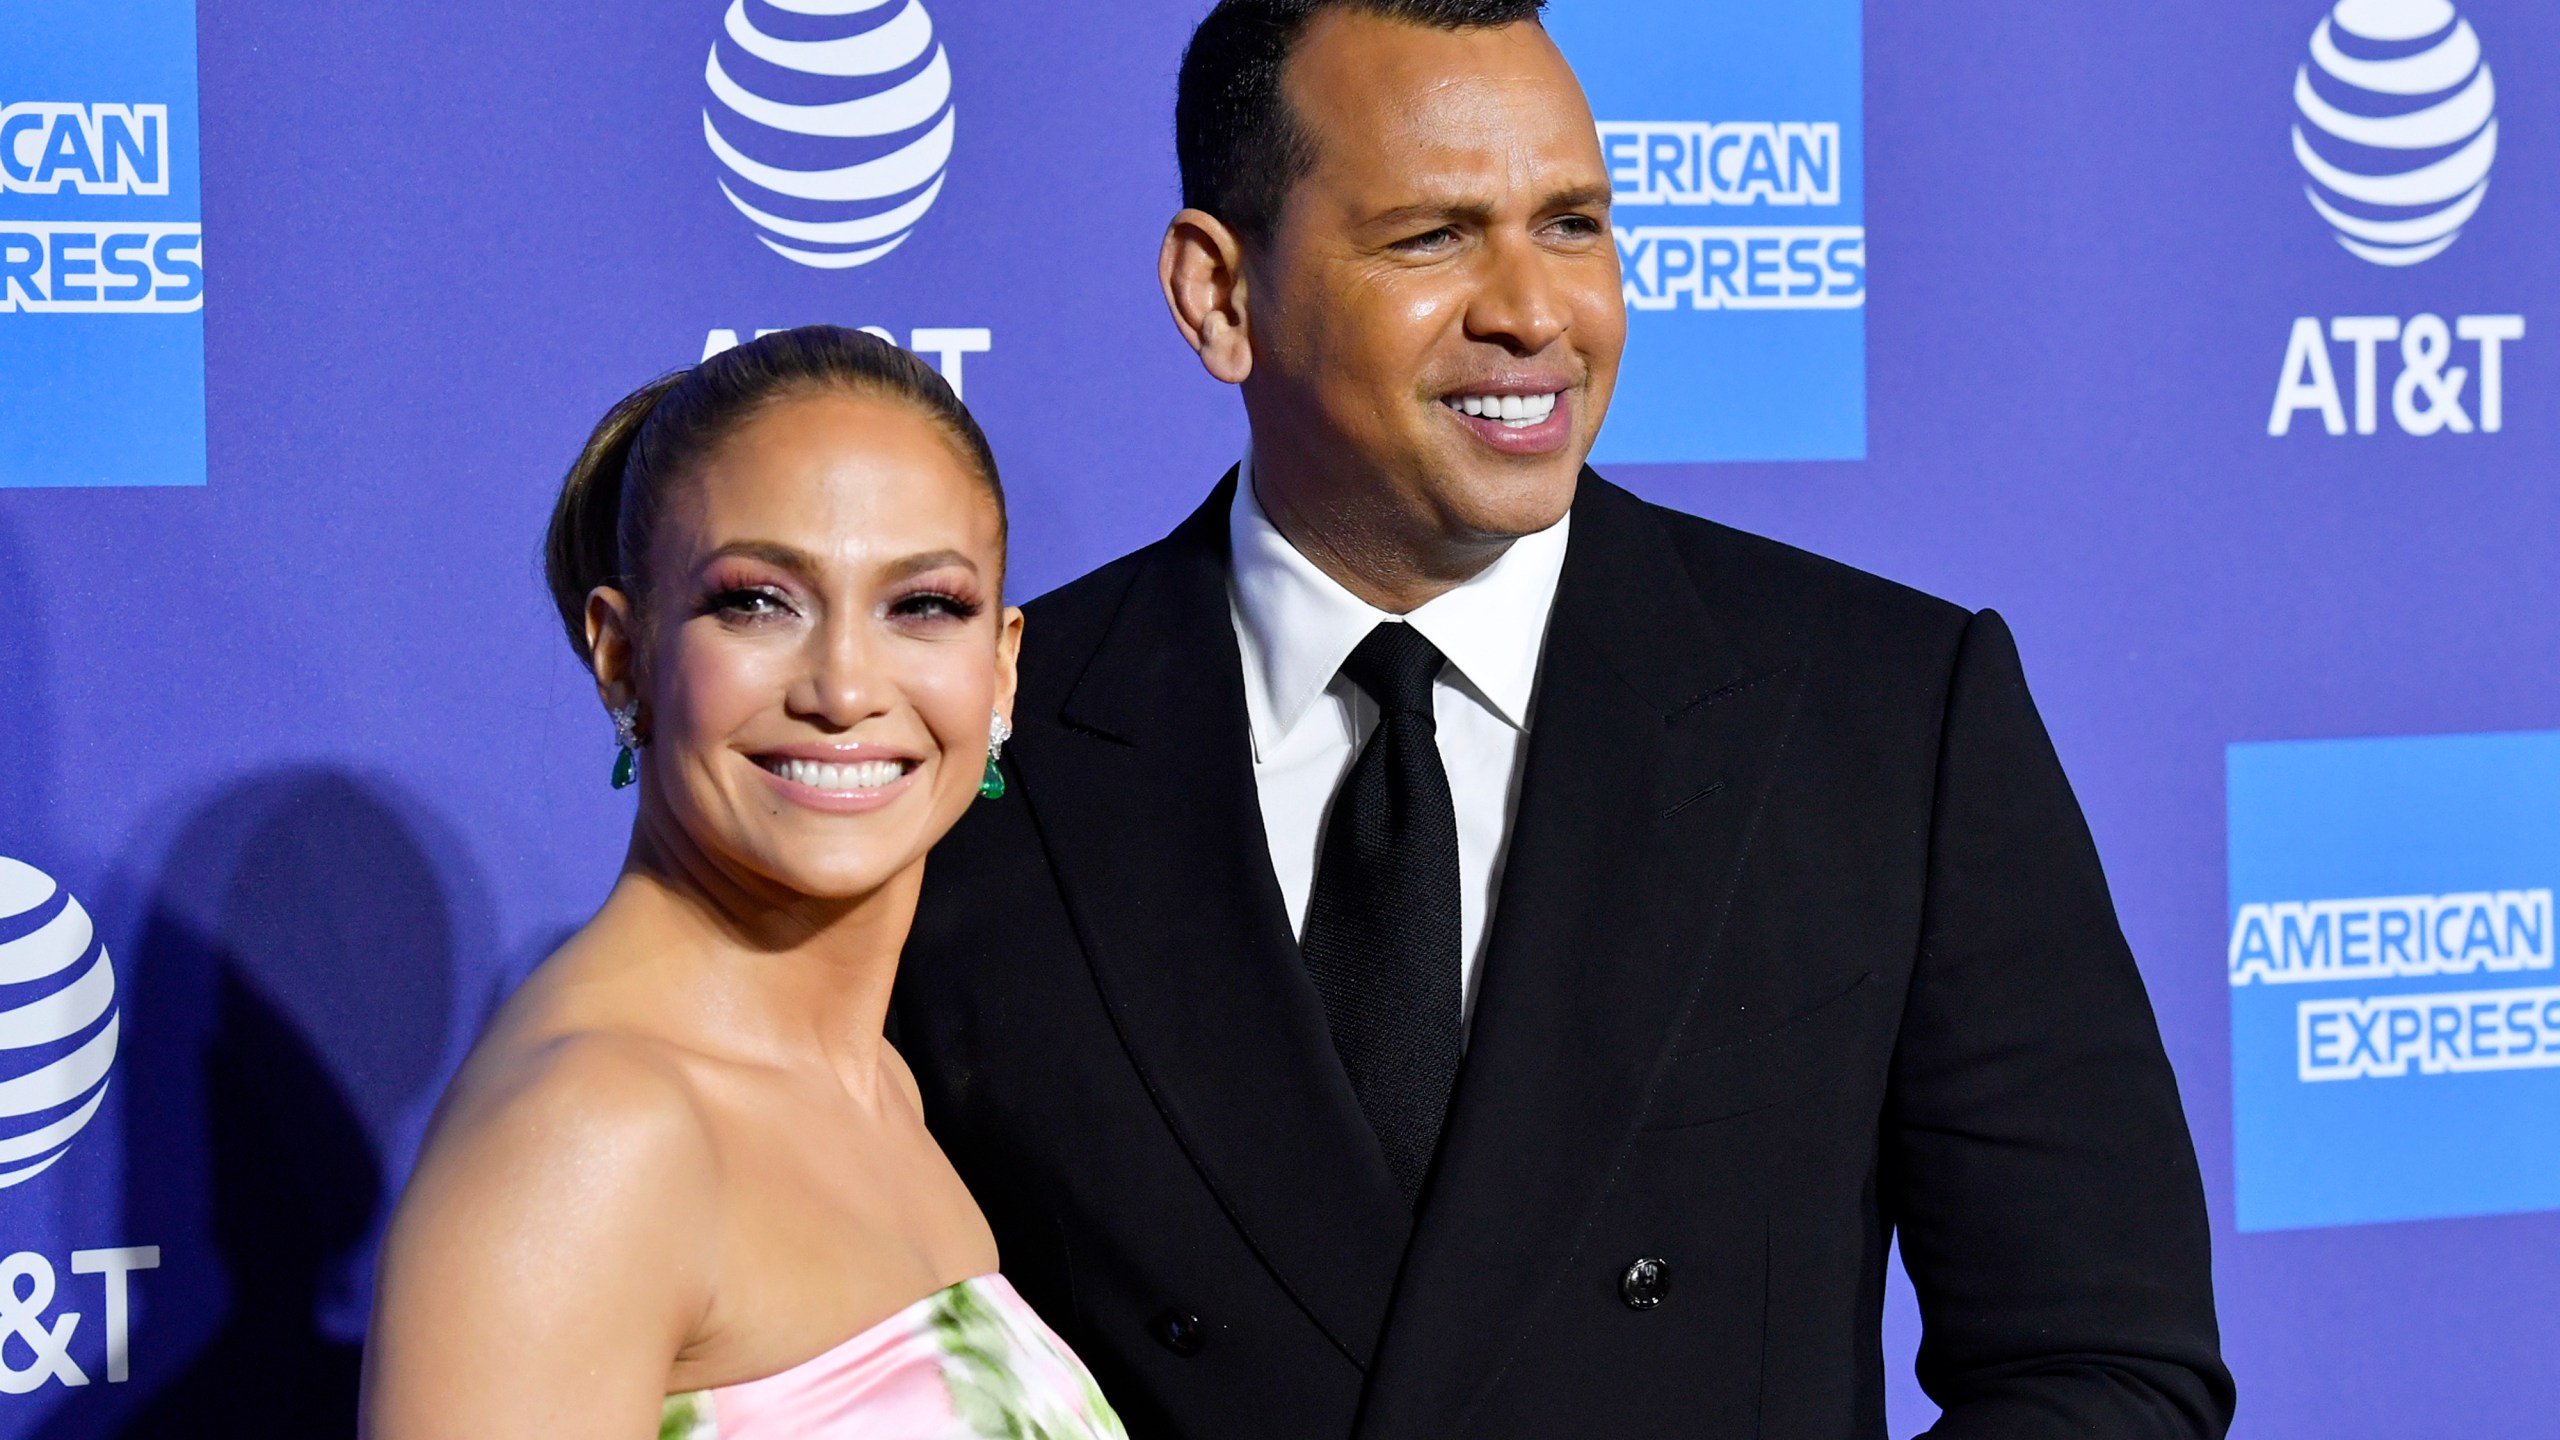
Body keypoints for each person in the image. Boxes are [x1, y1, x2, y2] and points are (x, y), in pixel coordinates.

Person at [893, 3, 2235, 1437]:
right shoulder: (981, 749)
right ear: (1221, 295)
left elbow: (2105, 1368)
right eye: (1435, 237)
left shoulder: (1887, 713)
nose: (1536, 312)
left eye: (1576, 224)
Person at [361, 327, 1128, 1440]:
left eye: (923, 606)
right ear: (622, 654)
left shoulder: (875, 1087)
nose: (846, 687)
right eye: (759, 601)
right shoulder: (594, 1140)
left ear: (1002, 665)